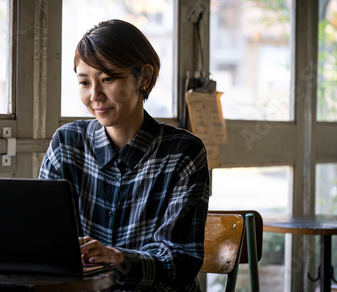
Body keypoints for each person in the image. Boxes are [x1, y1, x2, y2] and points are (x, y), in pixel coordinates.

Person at [39, 19, 209, 291]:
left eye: (107, 79)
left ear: (144, 77)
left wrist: (117, 259)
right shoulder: (67, 144)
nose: (95, 95)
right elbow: (41, 234)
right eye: (84, 82)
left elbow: (181, 261)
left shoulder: (183, 153)